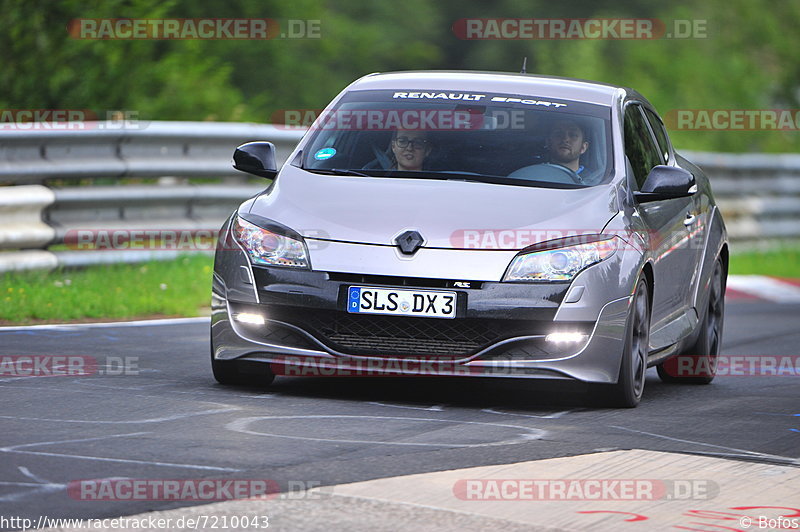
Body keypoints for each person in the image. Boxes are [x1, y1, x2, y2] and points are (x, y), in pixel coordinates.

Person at [510, 119, 589, 182]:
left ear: (583, 147)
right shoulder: (529, 175)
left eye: (573, 135)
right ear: (548, 142)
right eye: (558, 134)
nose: (565, 139)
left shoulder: (595, 183)